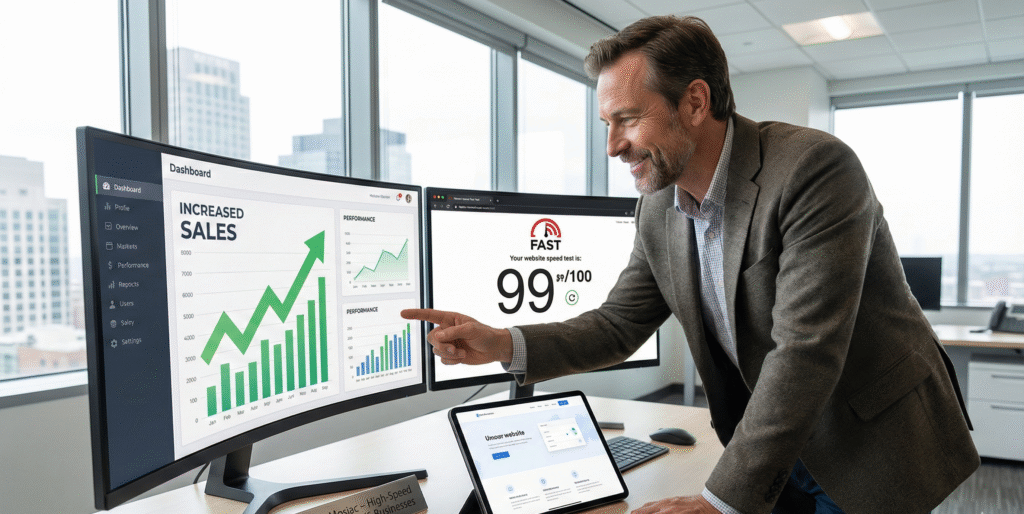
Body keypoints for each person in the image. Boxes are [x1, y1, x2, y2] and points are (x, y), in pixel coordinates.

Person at [402, 15, 979, 514]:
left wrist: (719, 501)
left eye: (628, 119)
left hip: (866, 437)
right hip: (772, 442)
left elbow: (805, 351)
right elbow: (618, 324)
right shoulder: (659, 208)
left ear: (696, 102)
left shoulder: (813, 169)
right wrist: (501, 342)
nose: (613, 146)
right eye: (606, 124)